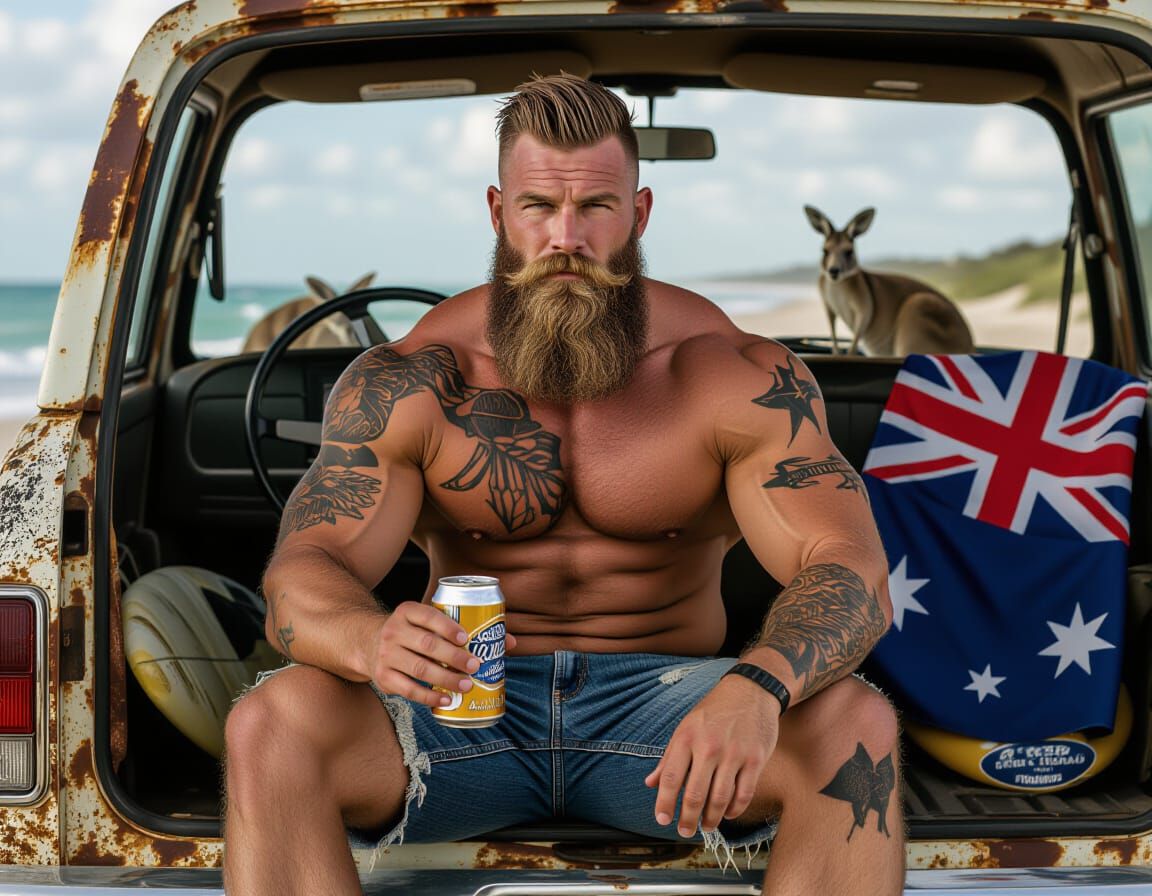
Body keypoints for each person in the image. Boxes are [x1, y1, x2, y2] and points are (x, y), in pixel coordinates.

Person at [223, 73, 902, 895]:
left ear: (639, 215)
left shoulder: (734, 375)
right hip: (460, 707)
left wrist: (759, 686)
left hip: (670, 717)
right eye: (540, 206)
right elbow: (304, 570)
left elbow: (852, 570)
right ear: (498, 212)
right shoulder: (415, 381)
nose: (566, 238)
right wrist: (370, 641)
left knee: (856, 724)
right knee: (271, 721)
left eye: (597, 208)